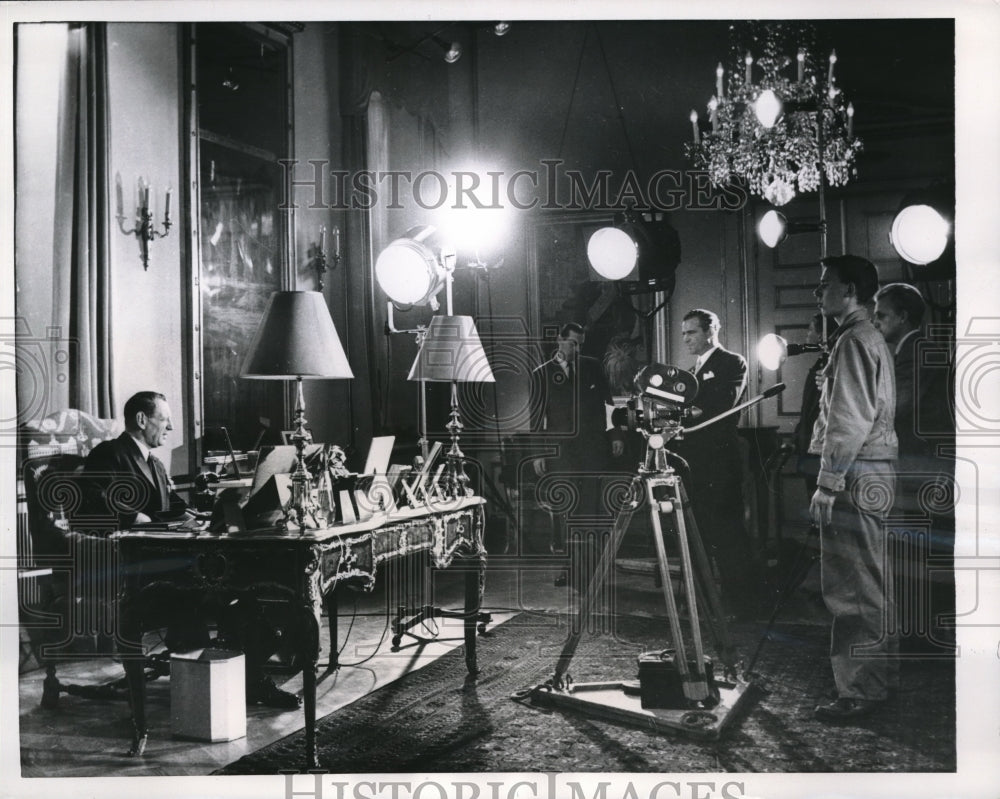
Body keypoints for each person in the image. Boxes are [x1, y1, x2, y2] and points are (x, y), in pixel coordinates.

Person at [84, 391, 302, 710]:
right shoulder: (110, 454)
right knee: (227, 587)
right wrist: (132, 516)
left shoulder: (155, 463)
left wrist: (209, 515)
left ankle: (245, 673)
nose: (171, 427)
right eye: (165, 419)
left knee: (245, 589)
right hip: (138, 565)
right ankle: (234, 677)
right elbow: (91, 500)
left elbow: (176, 508)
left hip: (171, 558)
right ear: (142, 420)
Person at [809, 255, 898, 722]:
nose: (817, 293)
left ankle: (861, 691)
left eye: (825, 285)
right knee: (869, 581)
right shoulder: (868, 337)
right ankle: (877, 681)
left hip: (857, 473)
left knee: (852, 587)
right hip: (872, 471)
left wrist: (827, 484)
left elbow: (847, 418)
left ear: (848, 291)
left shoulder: (853, 342)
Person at [873, 282, 955, 650]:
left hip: (920, 471)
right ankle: (917, 632)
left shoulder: (917, 350)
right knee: (913, 551)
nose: (876, 322)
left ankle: (919, 636)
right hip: (919, 469)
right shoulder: (908, 351)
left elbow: (898, 408)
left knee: (914, 552)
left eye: (882, 315)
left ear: (903, 317)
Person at [671, 309, 759, 619]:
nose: (686, 339)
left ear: (710, 332)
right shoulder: (688, 372)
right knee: (697, 533)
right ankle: (704, 606)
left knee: (728, 534)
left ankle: (746, 607)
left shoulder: (732, 362)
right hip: (692, 463)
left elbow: (722, 404)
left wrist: (688, 411)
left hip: (720, 461)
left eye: (691, 333)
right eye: (683, 333)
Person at [529, 322, 614, 583]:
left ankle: (592, 570)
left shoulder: (592, 367)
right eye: (573, 343)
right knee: (567, 509)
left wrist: (617, 435)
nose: (577, 348)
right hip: (561, 454)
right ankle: (570, 569)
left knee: (591, 509)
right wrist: (538, 453)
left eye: (581, 344)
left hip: (592, 450)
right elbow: (536, 419)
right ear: (560, 340)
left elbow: (609, 405)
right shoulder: (541, 374)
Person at [793, 313, 841, 498]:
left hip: (823, 448)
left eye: (811, 329)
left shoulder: (832, 364)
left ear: (822, 334)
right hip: (811, 445)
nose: (807, 334)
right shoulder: (822, 362)